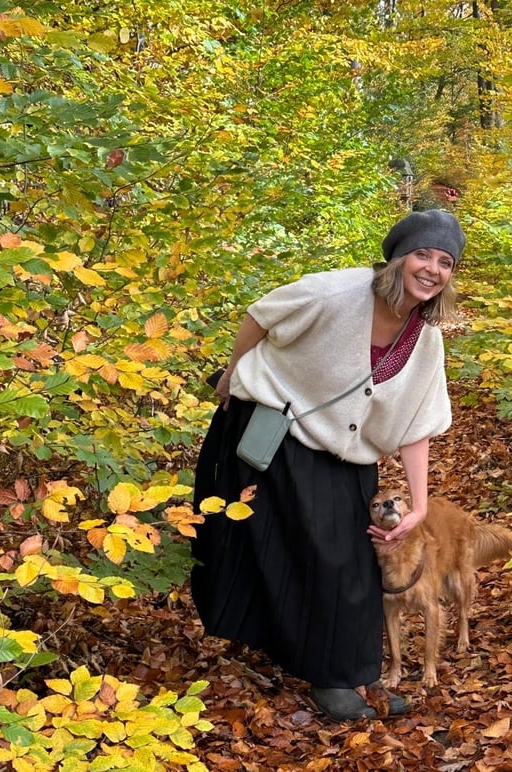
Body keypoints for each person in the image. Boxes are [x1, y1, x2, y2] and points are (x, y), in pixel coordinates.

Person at [191, 209, 466, 721]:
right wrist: (231, 375)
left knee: (355, 558)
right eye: (422, 254)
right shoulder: (336, 293)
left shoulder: (424, 339)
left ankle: (356, 670)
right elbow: (262, 314)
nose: (431, 268)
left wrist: (421, 506)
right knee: (308, 553)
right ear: (398, 258)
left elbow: (416, 424)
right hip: (272, 433)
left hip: (344, 451)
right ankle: (329, 679)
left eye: (445, 262)